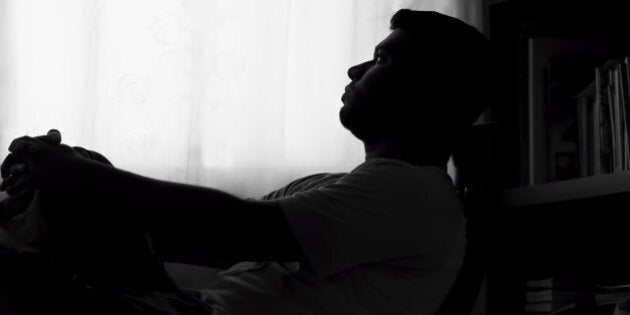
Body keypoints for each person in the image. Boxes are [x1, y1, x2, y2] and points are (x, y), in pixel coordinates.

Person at [0, 9, 491, 315]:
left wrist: (84, 179)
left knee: (23, 270)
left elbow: (239, 229)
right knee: (81, 177)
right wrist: (68, 180)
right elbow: (206, 241)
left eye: (381, 61)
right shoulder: (340, 186)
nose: (354, 69)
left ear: (429, 94)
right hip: (187, 305)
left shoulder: (413, 196)